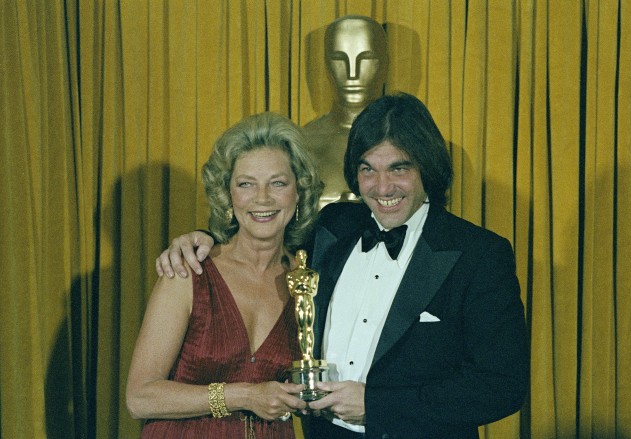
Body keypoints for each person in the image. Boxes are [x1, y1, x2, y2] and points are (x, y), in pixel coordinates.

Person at [156, 93, 530, 439]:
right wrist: (203, 237)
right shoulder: (333, 227)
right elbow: (260, 230)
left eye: (399, 169)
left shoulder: (479, 255)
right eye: (368, 170)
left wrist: (376, 406)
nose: (382, 188)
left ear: (426, 168)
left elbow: (502, 386)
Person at [126, 112, 324, 438]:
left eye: (278, 183)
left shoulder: (310, 283)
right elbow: (139, 397)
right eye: (246, 184)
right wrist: (245, 395)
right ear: (228, 195)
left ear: (299, 191)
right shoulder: (188, 272)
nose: (262, 199)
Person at [303, 15, 388, 207]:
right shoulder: (300, 144)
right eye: (339, 59)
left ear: (384, 63)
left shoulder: (410, 140)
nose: (352, 73)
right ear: (325, 64)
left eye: (366, 58)